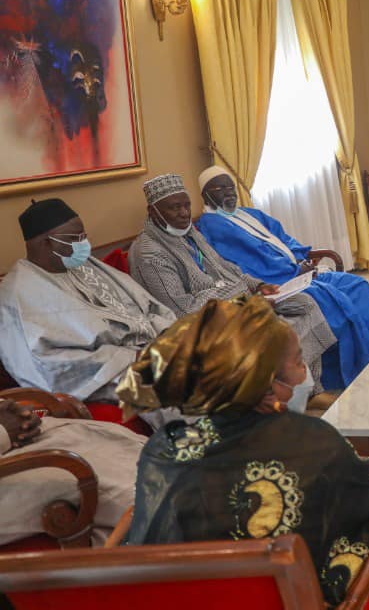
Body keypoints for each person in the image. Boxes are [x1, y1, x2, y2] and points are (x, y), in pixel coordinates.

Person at [119, 295, 369, 609]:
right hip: (291, 593)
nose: (305, 376)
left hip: (190, 597)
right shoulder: (314, 441)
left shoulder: (162, 447)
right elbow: (360, 507)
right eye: (300, 362)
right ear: (266, 384)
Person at [128, 174, 337, 394]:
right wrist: (244, 301)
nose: (184, 213)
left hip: (238, 304)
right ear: (153, 212)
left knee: (305, 304)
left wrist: (258, 285)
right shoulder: (149, 253)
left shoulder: (190, 234)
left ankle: (311, 391)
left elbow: (227, 268)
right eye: (174, 208)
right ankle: (276, 401)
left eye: (187, 205)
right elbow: (182, 309)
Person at [196, 166, 369, 388]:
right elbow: (249, 262)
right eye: (220, 188)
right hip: (277, 282)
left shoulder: (250, 214)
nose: (229, 192)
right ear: (205, 195)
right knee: (332, 299)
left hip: (297, 272)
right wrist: (291, 270)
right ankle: (354, 367)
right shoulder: (211, 226)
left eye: (230, 186)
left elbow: (284, 239)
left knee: (356, 284)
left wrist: (302, 261)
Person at [0, 199, 176, 401]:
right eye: (75, 238)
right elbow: (44, 366)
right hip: (111, 373)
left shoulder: (84, 264)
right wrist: (133, 358)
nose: (84, 244)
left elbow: (146, 303)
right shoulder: (17, 294)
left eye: (84, 236)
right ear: (46, 243)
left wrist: (167, 334)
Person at [0, 395, 145, 546]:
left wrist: (17, 415)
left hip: (50, 439)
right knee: (151, 500)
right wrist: (4, 430)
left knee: (157, 463)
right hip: (20, 470)